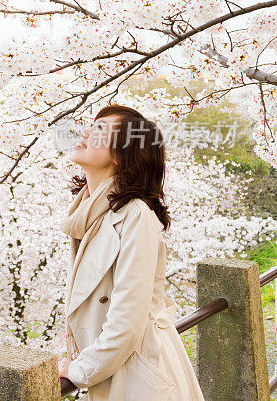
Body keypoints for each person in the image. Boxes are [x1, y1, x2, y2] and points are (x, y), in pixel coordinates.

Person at [57, 104, 204, 400]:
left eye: (100, 130)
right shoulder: (92, 212)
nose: (85, 132)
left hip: (139, 373)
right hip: (114, 369)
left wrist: (77, 370)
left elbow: (127, 320)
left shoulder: (135, 215)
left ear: (122, 153)